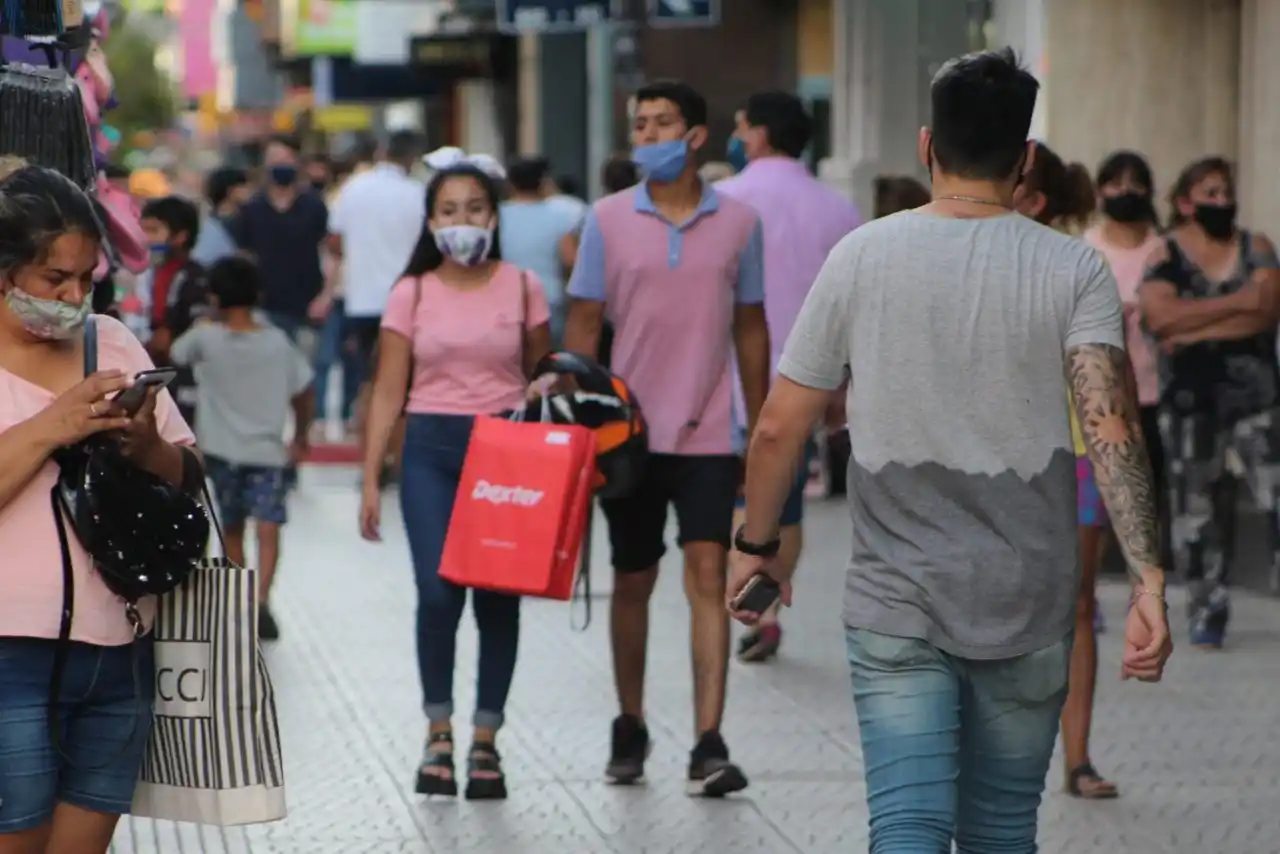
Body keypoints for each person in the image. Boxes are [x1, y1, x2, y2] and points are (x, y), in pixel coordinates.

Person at [730, 49, 1172, 851]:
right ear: (1025, 156)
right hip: (1030, 600)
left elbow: (776, 427)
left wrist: (758, 549)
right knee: (1003, 828)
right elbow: (1112, 428)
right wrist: (1148, 577)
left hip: (897, 599)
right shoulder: (1074, 267)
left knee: (907, 824)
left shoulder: (863, 256)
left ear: (927, 146)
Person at [563, 79, 770, 797]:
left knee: (709, 577)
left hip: (710, 433)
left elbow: (751, 328)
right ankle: (630, 721)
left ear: (696, 136)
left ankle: (709, 741)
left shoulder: (741, 222)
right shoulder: (607, 219)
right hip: (627, 436)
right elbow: (583, 326)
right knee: (633, 579)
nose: (648, 137)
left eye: (662, 124)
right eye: (640, 126)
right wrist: (577, 429)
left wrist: (763, 427)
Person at [0, 165, 196, 853]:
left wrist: (147, 444)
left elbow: (183, 474)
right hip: (8, 654)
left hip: (117, 652)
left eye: (87, 279)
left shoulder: (108, 341)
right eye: (55, 280)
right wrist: (57, 424)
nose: (75, 297)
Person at [358, 161, 551, 801]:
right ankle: (438, 731)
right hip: (430, 455)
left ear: (493, 217)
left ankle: (486, 740)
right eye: (447, 210)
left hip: (505, 456)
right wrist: (368, 479)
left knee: (498, 599)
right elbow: (389, 389)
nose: (461, 221)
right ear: (430, 221)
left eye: (474, 208)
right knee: (438, 596)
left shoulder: (523, 287)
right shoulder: (410, 293)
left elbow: (541, 374)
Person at [716, 90, 863, 663]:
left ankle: (740, 594)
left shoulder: (724, 201)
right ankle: (768, 607)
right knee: (788, 499)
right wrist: (842, 385)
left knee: (739, 497)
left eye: (740, 126)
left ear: (757, 135)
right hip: (808, 378)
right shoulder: (839, 210)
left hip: (726, 379)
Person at [1012, 139, 1122, 799]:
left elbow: (1112, 385)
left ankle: (1077, 757)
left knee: (1075, 607)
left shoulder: (1076, 270)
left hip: (1073, 458)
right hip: (995, 462)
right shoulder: (964, 263)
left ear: (1033, 200)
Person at [1140, 156, 1280, 649]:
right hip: (1189, 405)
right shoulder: (1166, 254)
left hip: (1257, 398)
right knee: (1194, 509)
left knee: (1274, 493)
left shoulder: (1255, 247)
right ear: (1185, 203)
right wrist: (1236, 303)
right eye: (1210, 193)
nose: (1222, 202)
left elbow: (1265, 313)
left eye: (1226, 191)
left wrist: (1193, 323)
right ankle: (1207, 607)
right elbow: (1158, 318)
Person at [170, 257, 313, 642]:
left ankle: (240, 598)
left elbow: (175, 353)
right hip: (267, 451)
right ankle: (263, 598)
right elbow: (304, 391)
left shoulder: (205, 337)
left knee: (231, 526)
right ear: (258, 295)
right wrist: (300, 435)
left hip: (220, 450)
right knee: (269, 526)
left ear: (215, 296)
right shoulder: (277, 342)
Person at [317, 131, 425, 448]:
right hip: (408, 302)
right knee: (404, 383)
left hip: (361, 300)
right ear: (411, 157)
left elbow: (334, 241)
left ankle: (370, 455)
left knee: (370, 380)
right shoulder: (417, 193)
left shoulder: (352, 189)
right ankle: (396, 452)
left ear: (381, 151)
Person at [227, 135, 328, 351]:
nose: (280, 165)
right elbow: (243, 257)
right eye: (274, 159)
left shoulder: (314, 206)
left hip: (308, 307)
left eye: (286, 159)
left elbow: (331, 252)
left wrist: (325, 297)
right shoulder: (251, 210)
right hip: (265, 309)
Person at [138, 195, 209, 426]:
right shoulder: (153, 273)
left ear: (180, 237)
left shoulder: (192, 278)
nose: (146, 239)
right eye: (144, 230)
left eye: (154, 230)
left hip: (185, 378)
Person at [500, 156, 580, 344]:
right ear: (542, 182)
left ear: (510, 184)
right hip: (548, 299)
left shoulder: (498, 215)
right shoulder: (560, 216)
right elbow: (570, 260)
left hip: (506, 299)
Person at [190, 166, 250, 267]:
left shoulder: (246, 218)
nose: (248, 191)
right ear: (231, 191)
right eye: (243, 186)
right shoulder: (211, 226)